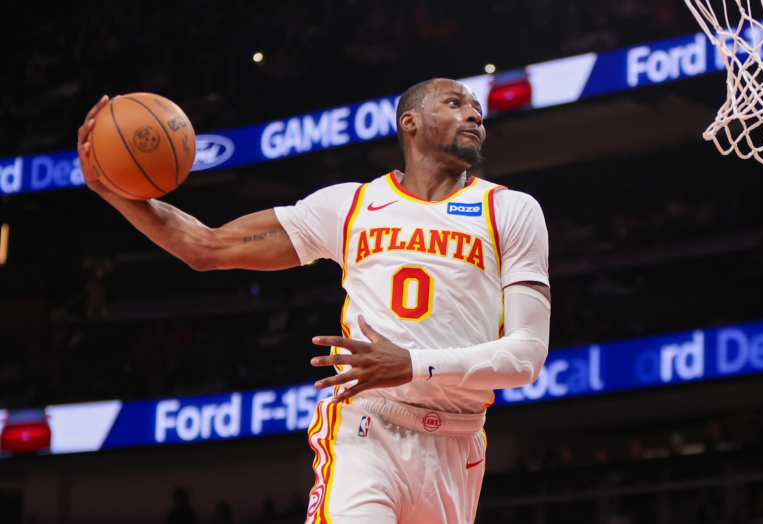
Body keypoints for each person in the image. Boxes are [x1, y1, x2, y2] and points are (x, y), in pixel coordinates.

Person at [76, 78, 551, 524]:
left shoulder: (510, 210)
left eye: (478, 109)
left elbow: (526, 356)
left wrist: (411, 363)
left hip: (459, 441)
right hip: (369, 428)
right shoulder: (349, 206)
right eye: (455, 103)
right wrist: (111, 190)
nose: (474, 114)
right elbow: (207, 247)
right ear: (410, 121)